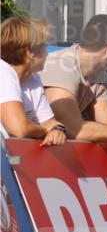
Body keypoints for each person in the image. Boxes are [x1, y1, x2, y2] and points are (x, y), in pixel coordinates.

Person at [0, 17, 66, 146]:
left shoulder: (32, 78)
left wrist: (57, 130)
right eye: (44, 46)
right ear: (29, 52)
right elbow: (20, 128)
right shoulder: (3, 71)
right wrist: (44, 130)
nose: (48, 53)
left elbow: (50, 123)